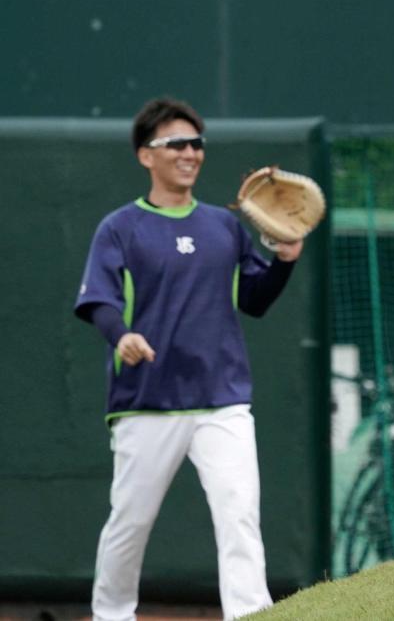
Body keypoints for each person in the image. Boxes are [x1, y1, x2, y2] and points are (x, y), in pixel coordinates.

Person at [75, 97, 304, 620]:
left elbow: (256, 298)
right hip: (147, 400)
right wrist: (121, 337)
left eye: (196, 143)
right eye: (174, 143)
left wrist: (284, 262)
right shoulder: (120, 227)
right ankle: (111, 614)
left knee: (239, 514)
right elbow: (99, 300)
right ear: (145, 155)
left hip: (221, 399)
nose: (189, 152)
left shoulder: (223, 227)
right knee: (130, 521)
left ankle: (250, 613)